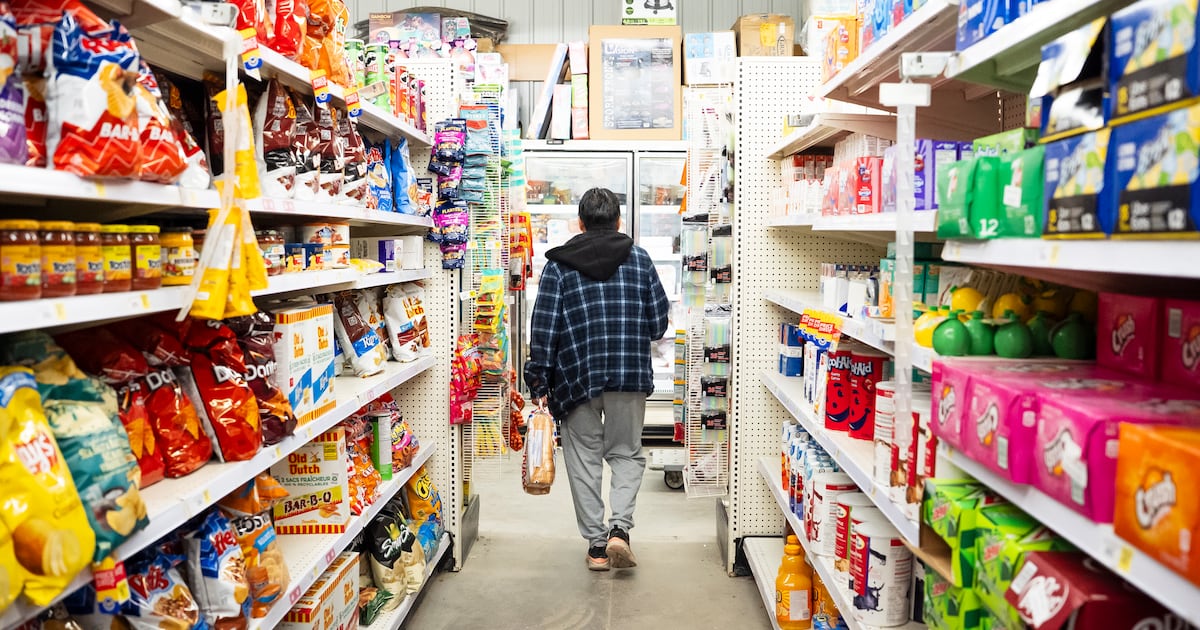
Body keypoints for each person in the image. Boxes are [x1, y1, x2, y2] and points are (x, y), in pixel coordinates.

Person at [524, 187, 671, 572]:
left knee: (583, 460)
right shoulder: (639, 260)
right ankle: (620, 528)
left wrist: (538, 380)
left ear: (581, 223)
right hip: (629, 374)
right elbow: (658, 325)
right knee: (626, 453)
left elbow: (544, 328)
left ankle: (597, 547)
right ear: (619, 222)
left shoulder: (558, 266)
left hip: (576, 378)